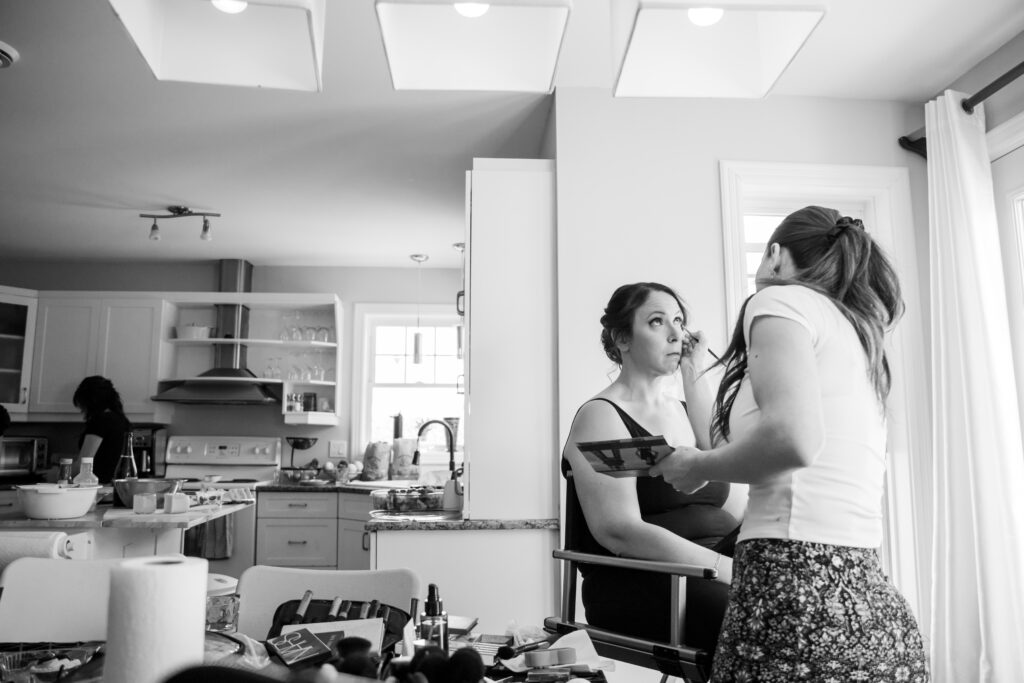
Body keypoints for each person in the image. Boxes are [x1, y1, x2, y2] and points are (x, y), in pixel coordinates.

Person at [650, 206, 927, 682]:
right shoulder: (856, 329)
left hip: (793, 590)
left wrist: (698, 468)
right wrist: (694, 377)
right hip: (872, 607)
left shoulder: (777, 300)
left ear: (775, 255)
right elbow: (744, 442)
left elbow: (793, 443)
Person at [561, 282, 746, 652]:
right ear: (622, 339)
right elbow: (619, 530)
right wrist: (724, 570)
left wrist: (693, 373)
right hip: (646, 578)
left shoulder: (683, 408)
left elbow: (728, 466)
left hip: (713, 563)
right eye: (658, 322)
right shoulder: (603, 416)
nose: (677, 334)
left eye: (679, 321)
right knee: (756, 619)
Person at [73, 375, 132, 484]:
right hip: (117, 488)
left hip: (97, 487)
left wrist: (59, 472)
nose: (82, 410)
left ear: (90, 401)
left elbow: (84, 465)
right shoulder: (123, 421)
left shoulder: (100, 421)